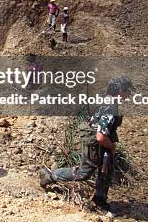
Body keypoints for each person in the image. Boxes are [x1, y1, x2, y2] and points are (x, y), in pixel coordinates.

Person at [39, 77, 133, 213]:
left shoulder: (105, 98)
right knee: (83, 173)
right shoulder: (110, 107)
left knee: (106, 170)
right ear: (120, 90)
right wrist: (111, 146)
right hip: (96, 143)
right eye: (128, 90)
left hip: (99, 140)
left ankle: (100, 199)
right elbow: (100, 137)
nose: (129, 94)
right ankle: (50, 176)